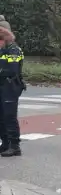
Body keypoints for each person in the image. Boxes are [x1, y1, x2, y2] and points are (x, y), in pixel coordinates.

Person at [0, 25, 25, 157]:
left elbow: (12, 70)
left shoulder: (13, 50)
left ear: (4, 39)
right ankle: (5, 143)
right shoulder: (3, 50)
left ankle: (15, 146)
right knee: (1, 116)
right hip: (2, 86)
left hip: (10, 86)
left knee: (9, 116)